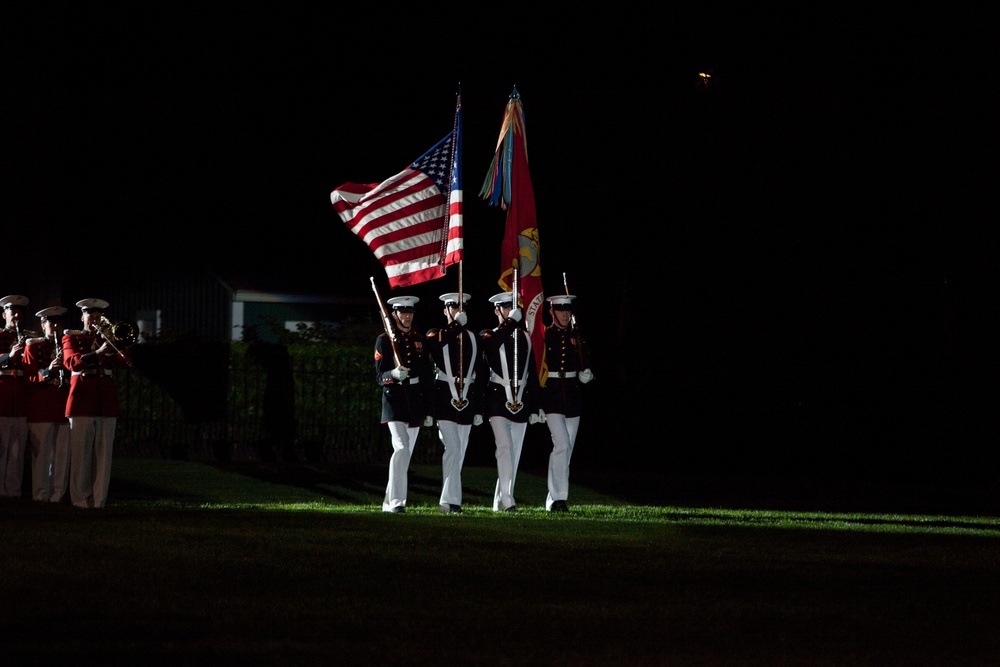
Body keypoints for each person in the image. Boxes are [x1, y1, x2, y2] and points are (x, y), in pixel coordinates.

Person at [62, 298, 132, 509]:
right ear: (82, 317)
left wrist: (116, 343)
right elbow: (71, 362)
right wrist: (98, 352)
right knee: (81, 455)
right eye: (89, 315)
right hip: (82, 400)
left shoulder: (109, 338)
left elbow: (127, 361)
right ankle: (81, 501)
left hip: (106, 402)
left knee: (103, 456)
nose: (93, 319)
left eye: (97, 315)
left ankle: (99, 500)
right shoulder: (71, 337)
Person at [481, 291, 542, 512]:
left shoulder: (525, 336)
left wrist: (536, 406)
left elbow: (532, 373)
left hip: (521, 400)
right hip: (498, 399)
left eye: (512, 308)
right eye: (505, 309)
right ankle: (508, 499)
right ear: (497, 311)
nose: (510, 312)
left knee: (514, 452)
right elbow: (490, 346)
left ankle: (501, 497)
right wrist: (510, 322)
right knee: (504, 448)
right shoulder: (490, 334)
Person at [424, 292, 484, 514]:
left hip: (467, 399)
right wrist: (456, 325)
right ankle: (453, 501)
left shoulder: (474, 337)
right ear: (445, 311)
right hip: (444, 399)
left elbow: (479, 373)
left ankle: (446, 501)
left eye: (462, 308)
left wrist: (479, 408)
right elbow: (436, 344)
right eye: (453, 308)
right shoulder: (436, 333)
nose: (458, 311)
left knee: (460, 450)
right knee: (453, 448)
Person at [374, 295, 431, 513]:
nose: (407, 316)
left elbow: (426, 377)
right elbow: (379, 377)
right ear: (395, 314)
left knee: (405, 454)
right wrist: (393, 374)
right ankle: (397, 503)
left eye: (410, 312)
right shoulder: (384, 340)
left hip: (415, 402)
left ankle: (389, 501)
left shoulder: (419, 340)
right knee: (401, 447)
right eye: (402, 312)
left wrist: (428, 409)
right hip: (394, 401)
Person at [541, 294, 594, 512]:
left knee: (567, 448)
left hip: (571, 396)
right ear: (552, 312)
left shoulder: (576, 336)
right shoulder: (545, 336)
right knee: (561, 444)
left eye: (567, 310)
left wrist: (587, 374)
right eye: (560, 310)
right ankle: (559, 499)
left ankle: (553, 496)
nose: (564, 314)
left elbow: (585, 360)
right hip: (552, 394)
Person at [22, 306, 71, 502]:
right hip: (41, 407)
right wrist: (49, 371)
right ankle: (41, 495)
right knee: (42, 456)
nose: (55, 326)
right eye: (50, 323)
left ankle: (57, 495)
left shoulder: (67, 345)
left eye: (57, 322)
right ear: (43, 325)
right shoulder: (33, 347)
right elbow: (29, 378)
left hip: (62, 406)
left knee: (62, 455)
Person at [0, 294, 31, 498]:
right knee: (1, 447)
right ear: (4, 314)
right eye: (13, 312)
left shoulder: (28, 337)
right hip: (3, 393)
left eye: (20, 312)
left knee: (17, 449)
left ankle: (13, 490)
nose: (17, 315)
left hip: (20, 395)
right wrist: (8, 356)